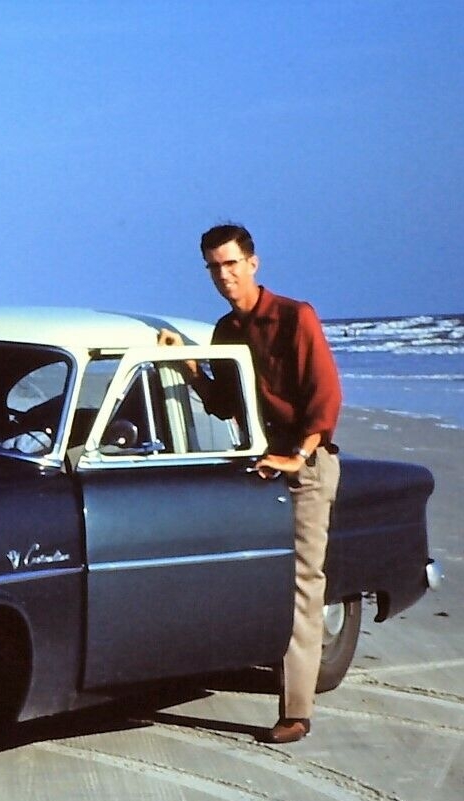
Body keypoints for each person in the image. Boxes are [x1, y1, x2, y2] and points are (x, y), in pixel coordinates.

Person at [167, 223, 342, 744]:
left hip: (306, 467)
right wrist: (191, 364)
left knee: (303, 585)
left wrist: (299, 455)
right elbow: (225, 404)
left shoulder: (295, 316)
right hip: (259, 465)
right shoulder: (226, 330)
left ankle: (297, 712)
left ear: (253, 263)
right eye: (214, 267)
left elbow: (325, 396)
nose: (224, 276)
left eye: (232, 264)